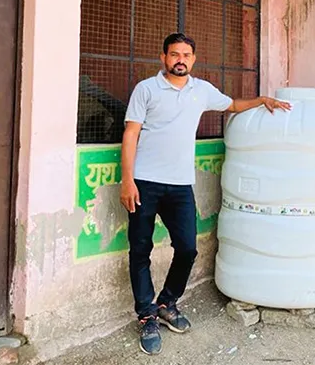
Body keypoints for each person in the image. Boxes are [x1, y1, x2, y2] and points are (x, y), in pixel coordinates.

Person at [120, 32, 290, 355]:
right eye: (174, 54)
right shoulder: (146, 90)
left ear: (193, 59)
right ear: (163, 58)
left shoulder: (202, 91)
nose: (180, 59)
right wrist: (127, 180)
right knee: (139, 249)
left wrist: (263, 100)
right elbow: (131, 135)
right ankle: (146, 315)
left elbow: (233, 105)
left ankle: (167, 302)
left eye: (186, 55)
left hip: (181, 185)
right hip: (144, 182)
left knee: (187, 248)